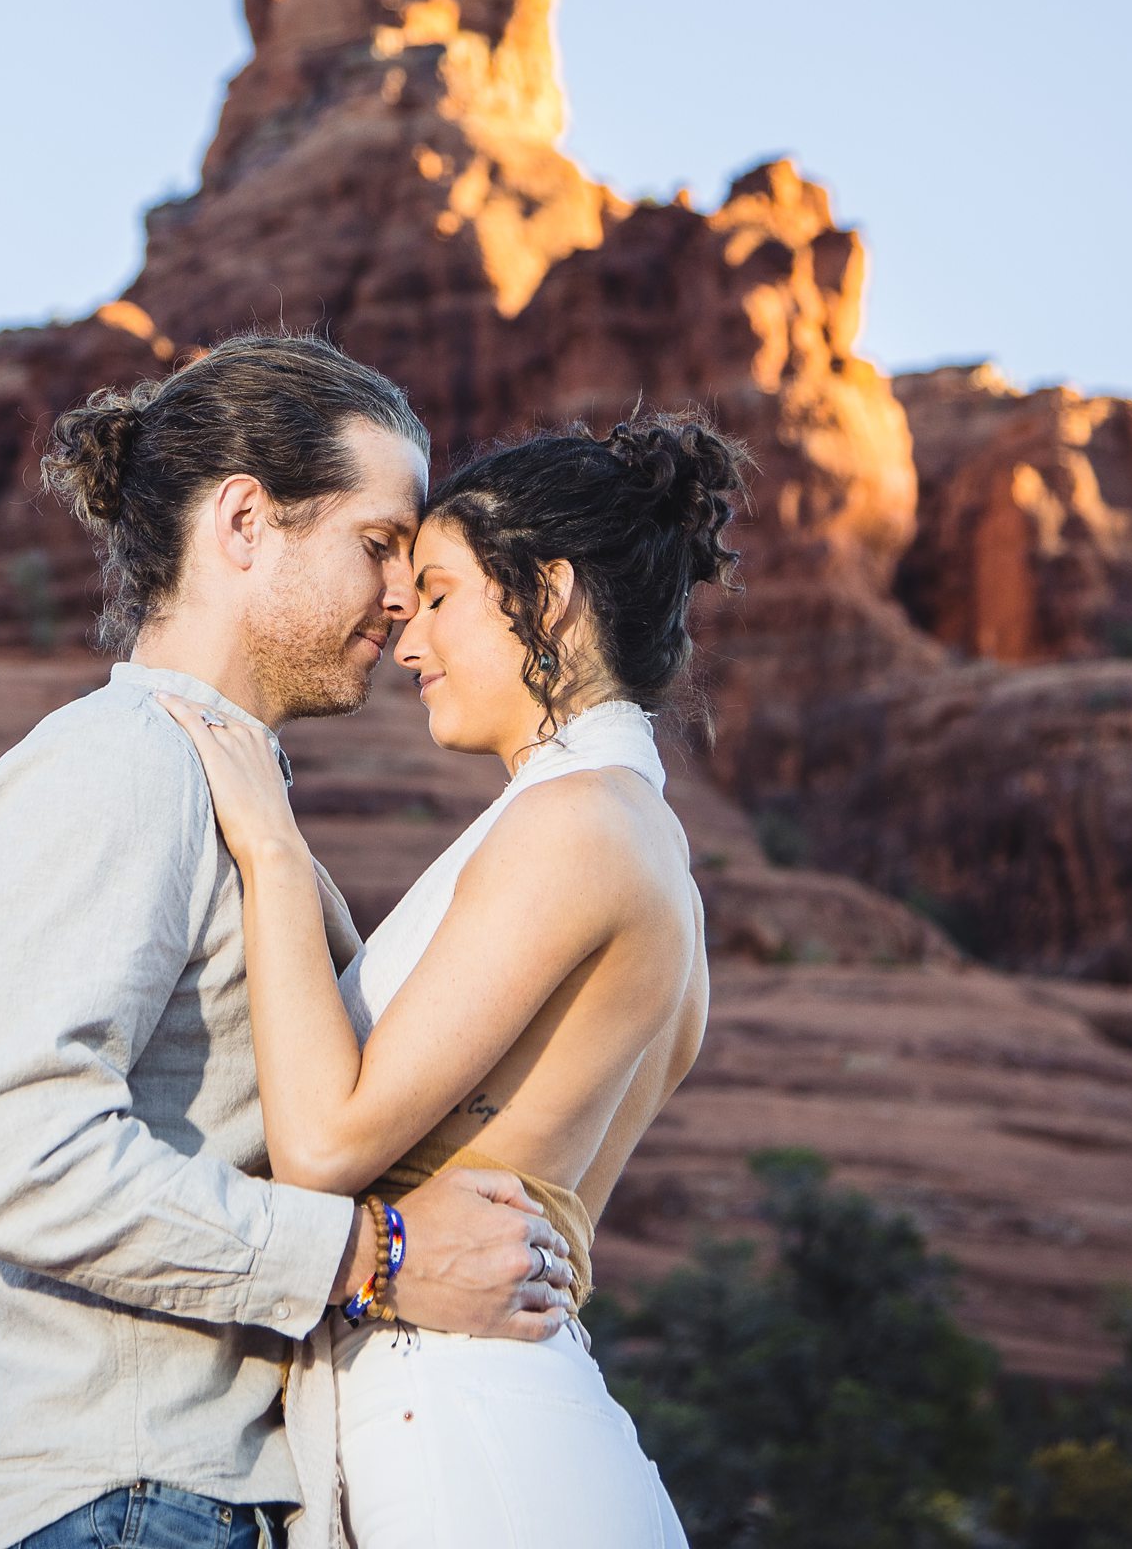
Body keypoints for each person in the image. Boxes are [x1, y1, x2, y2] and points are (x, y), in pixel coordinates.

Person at [0, 334, 577, 1549]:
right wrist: (370, 1255)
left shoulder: (220, 789)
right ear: (244, 521)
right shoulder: (118, 762)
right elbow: (6, 1149)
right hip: (119, 1504)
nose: (400, 594)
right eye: (377, 544)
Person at [156, 410, 749, 1549]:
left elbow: (325, 1143)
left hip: (472, 1440)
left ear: (550, 594)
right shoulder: (625, 830)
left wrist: (271, 849)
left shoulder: (577, 824)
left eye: (439, 592)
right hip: (500, 1425)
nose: (406, 632)